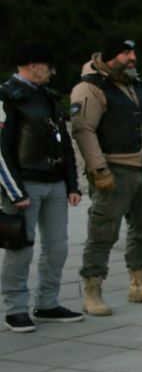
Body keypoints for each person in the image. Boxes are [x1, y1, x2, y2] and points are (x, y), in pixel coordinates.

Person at [70, 33, 142, 315]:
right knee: (102, 232)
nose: (132, 59)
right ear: (109, 56)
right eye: (126, 54)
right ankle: (92, 290)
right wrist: (99, 169)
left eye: (133, 54)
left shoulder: (139, 86)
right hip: (113, 170)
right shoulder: (90, 87)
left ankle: (140, 284)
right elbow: (83, 130)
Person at [0, 43, 82, 332]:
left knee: (57, 247)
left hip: (55, 184)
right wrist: (14, 191)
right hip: (25, 185)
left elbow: (64, 143)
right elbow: (1, 148)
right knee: (20, 247)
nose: (52, 72)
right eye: (48, 66)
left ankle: (48, 303)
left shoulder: (47, 97)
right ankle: (16, 308)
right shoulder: (7, 95)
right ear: (34, 66)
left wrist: (72, 183)